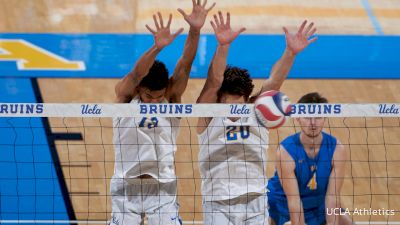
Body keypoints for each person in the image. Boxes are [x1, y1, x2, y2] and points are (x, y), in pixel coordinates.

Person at [196, 11, 317, 224]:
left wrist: (290, 53)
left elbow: (273, 83)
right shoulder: (208, 114)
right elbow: (214, 80)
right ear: (219, 99)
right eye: (227, 103)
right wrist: (223, 46)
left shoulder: (257, 111)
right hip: (217, 201)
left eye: (238, 103)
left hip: (256, 199)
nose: (233, 109)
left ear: (247, 98)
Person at [110, 1, 215, 224]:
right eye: (149, 97)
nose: (154, 102)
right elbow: (136, 74)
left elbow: (185, 64)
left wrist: (195, 29)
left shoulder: (171, 99)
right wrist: (157, 47)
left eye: (159, 97)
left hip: (162, 186)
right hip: (125, 185)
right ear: (139, 90)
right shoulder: (125, 97)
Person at [267, 92, 353, 225]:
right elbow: (294, 200)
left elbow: (332, 196)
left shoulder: (337, 149)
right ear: (298, 118)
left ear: (325, 117)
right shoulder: (285, 151)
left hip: (318, 202)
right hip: (283, 203)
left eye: (318, 117)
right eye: (307, 117)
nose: (313, 123)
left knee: (346, 222)